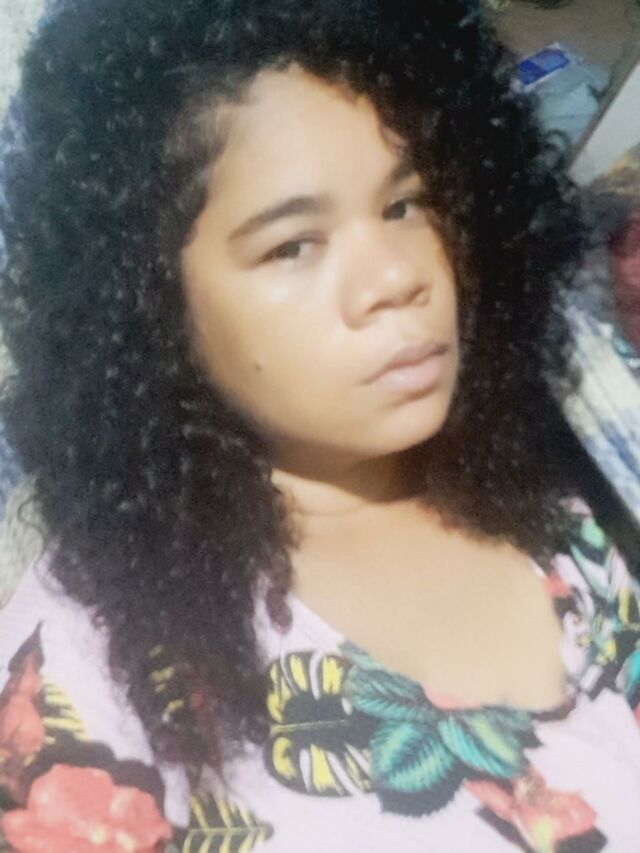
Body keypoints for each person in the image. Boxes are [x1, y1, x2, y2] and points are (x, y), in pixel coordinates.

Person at [0, 0, 638, 849]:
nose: (397, 277)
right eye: (293, 245)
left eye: (406, 204)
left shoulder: (551, 470)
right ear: (149, 306)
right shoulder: (80, 697)